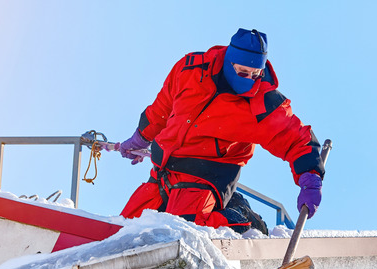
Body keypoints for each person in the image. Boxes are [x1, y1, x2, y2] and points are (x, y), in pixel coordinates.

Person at [117, 28, 324, 234]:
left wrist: (310, 176)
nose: (249, 80)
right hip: (165, 170)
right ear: (228, 61)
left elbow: (296, 139)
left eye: (256, 74)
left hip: (206, 175)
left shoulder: (262, 104)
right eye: (243, 72)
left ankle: (242, 217)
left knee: (184, 228)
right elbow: (162, 108)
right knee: (123, 229)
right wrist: (141, 137)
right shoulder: (191, 69)